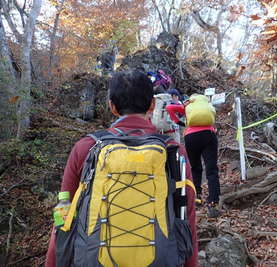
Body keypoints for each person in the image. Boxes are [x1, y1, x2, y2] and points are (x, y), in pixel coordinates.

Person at [45, 70, 198, 267]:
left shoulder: (85, 148)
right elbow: (188, 219)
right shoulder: (173, 151)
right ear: (152, 104)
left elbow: (63, 215)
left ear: (112, 107)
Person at [166, 96, 220, 218]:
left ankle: (197, 196)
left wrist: (179, 122)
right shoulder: (207, 105)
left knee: (195, 167)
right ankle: (213, 201)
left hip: (191, 136)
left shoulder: (188, 106)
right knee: (211, 169)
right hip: (209, 134)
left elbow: (169, 108)